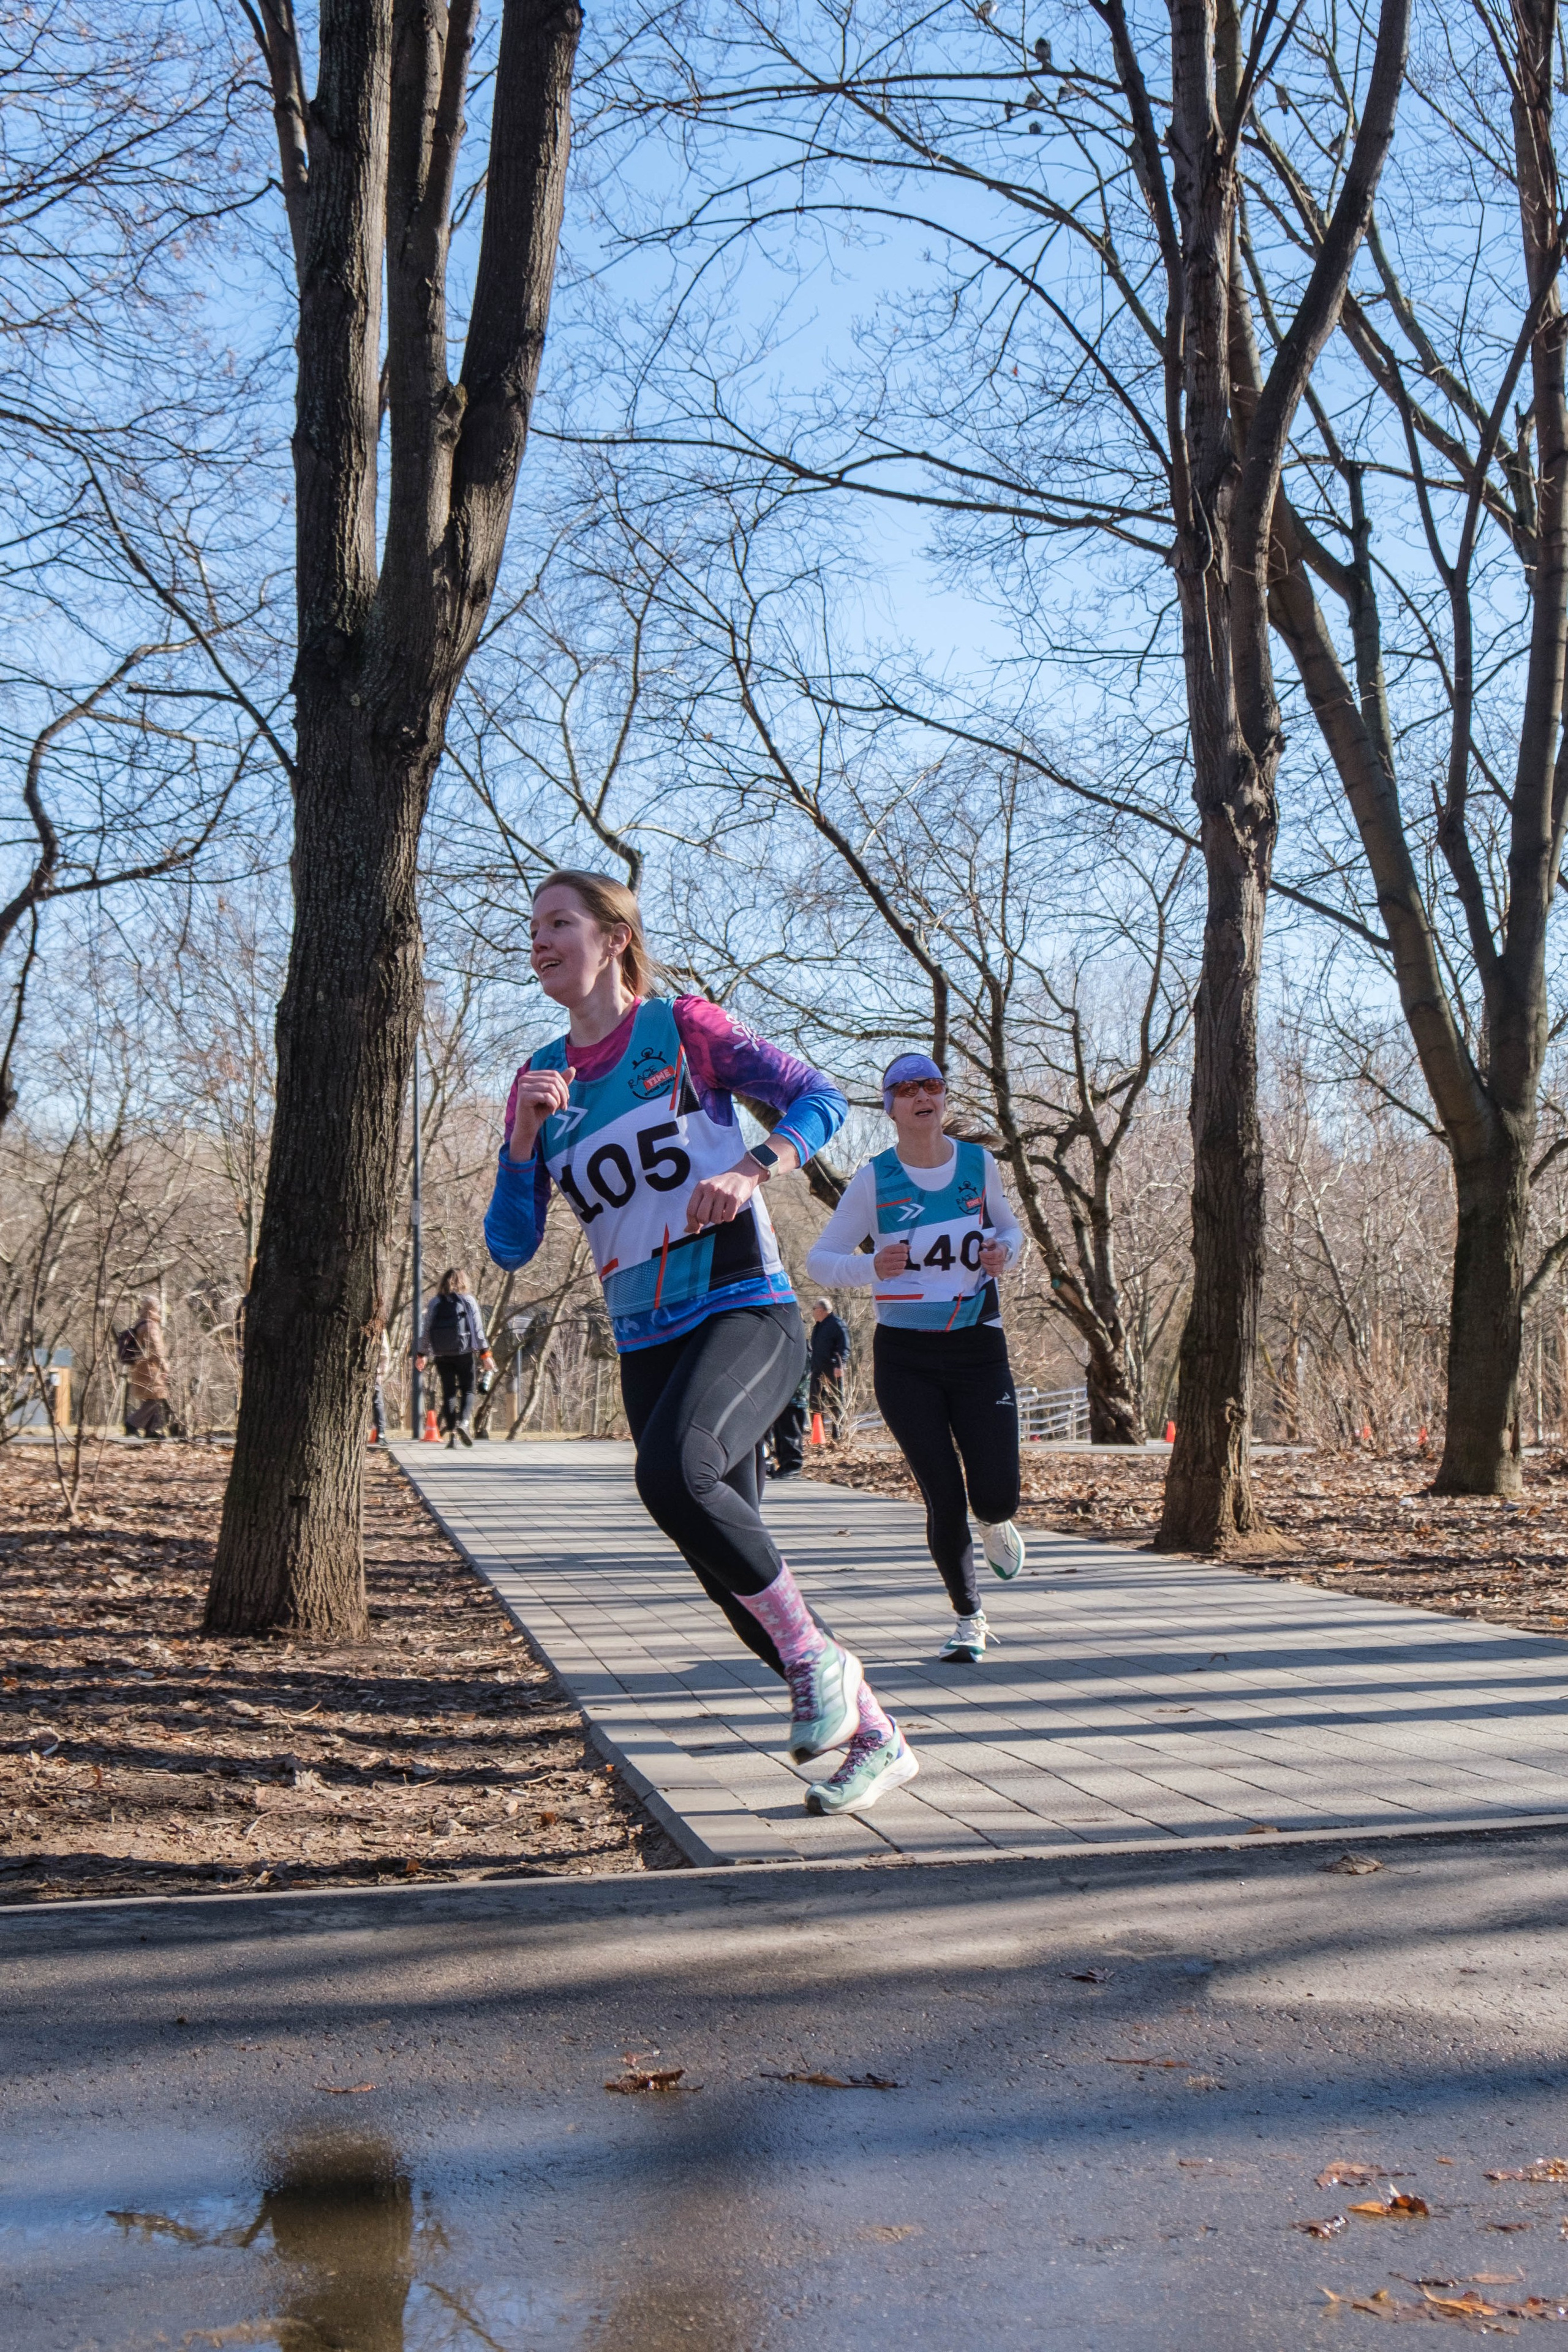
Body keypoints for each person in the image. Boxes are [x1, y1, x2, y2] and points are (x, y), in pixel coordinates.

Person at [484, 868, 918, 1817]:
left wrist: (757, 1166)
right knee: (730, 1569)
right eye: (533, 928)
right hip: (646, 1341)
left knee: (672, 1477)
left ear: (614, 938)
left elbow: (820, 1097)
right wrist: (522, 1138)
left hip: (741, 1307)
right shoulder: (540, 1080)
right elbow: (510, 1245)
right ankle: (875, 1733)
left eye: (559, 923)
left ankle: (819, 1663)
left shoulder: (682, 1029)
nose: (540, 941)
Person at [806, 1053, 1027, 1664]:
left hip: (978, 1344)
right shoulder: (874, 1180)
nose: (922, 1096)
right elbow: (820, 1261)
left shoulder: (978, 1165)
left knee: (996, 1495)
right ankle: (969, 1618)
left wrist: (1004, 1253)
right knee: (942, 1493)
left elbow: (1011, 1231)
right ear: (890, 1108)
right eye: (906, 1089)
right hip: (905, 1356)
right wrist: (871, 1266)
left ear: (943, 1098)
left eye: (931, 1085)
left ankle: (995, 1519)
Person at [417, 1269, 493, 1449]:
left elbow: (426, 1331)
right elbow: (478, 1330)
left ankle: (452, 1436)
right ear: (463, 1282)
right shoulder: (468, 1301)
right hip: (464, 1352)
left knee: (449, 1393)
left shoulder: (435, 1302)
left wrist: (422, 1354)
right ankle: (464, 1423)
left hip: (442, 1354)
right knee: (468, 1390)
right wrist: (485, 1355)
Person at [122, 1296, 173, 1440]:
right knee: (156, 1397)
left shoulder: (141, 1323)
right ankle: (132, 1424)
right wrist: (164, 1365)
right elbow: (156, 1349)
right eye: (159, 1307)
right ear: (154, 1309)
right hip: (150, 1367)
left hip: (141, 1366)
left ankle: (151, 1429)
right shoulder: (151, 1326)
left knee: (154, 1397)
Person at [809, 1297, 850, 1439]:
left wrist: (840, 1365)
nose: (813, 1312)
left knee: (835, 1401)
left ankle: (837, 1433)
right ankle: (818, 1436)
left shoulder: (837, 1324)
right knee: (815, 1401)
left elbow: (845, 1347)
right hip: (817, 1369)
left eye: (814, 1309)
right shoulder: (818, 1326)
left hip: (832, 1369)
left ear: (821, 1310)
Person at [767, 1355, 810, 1481]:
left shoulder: (799, 1352)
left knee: (790, 1432)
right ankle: (784, 1465)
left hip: (795, 1398)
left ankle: (793, 1466)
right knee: (781, 1432)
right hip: (785, 1398)